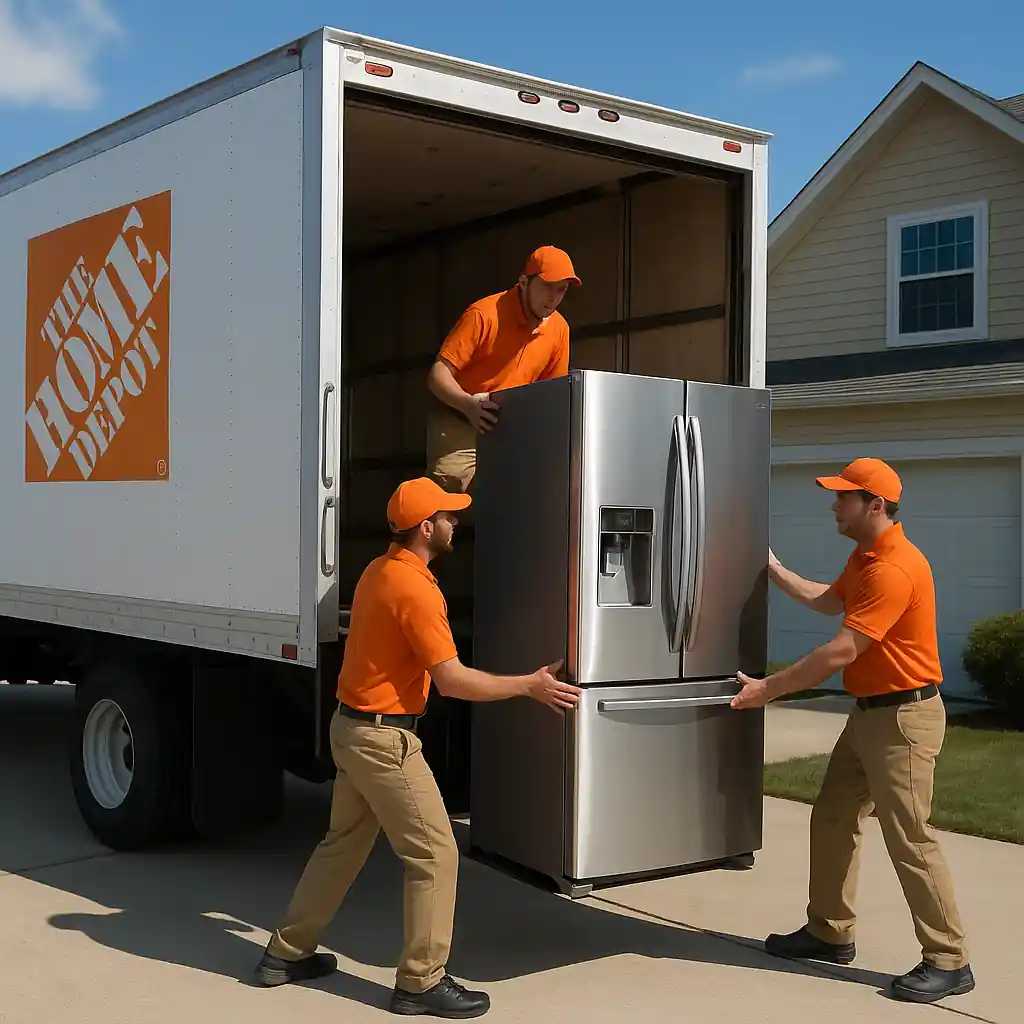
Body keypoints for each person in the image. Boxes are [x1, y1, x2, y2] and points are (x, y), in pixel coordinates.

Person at [253, 476, 581, 1018]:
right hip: (383, 739)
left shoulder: (377, 573)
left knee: (342, 847)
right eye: (449, 517)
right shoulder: (416, 589)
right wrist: (530, 685)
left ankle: (285, 953)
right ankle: (420, 982)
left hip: (350, 728)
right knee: (435, 853)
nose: (457, 524)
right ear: (426, 527)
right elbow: (452, 680)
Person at [730, 458, 974, 1005]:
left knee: (910, 836)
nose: (833, 504)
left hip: (903, 721)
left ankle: (949, 960)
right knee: (835, 816)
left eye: (843, 497)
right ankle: (829, 931)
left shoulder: (894, 569)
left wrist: (767, 690)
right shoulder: (865, 557)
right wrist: (771, 567)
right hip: (870, 714)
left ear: (876, 505)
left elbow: (841, 650)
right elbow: (826, 599)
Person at [425, 245, 580, 494]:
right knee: (450, 499)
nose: (553, 297)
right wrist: (468, 405)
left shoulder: (559, 329)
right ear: (523, 283)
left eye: (561, 290)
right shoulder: (483, 315)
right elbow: (438, 375)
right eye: (547, 287)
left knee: (519, 497)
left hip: (513, 428)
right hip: (461, 420)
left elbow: (552, 396)